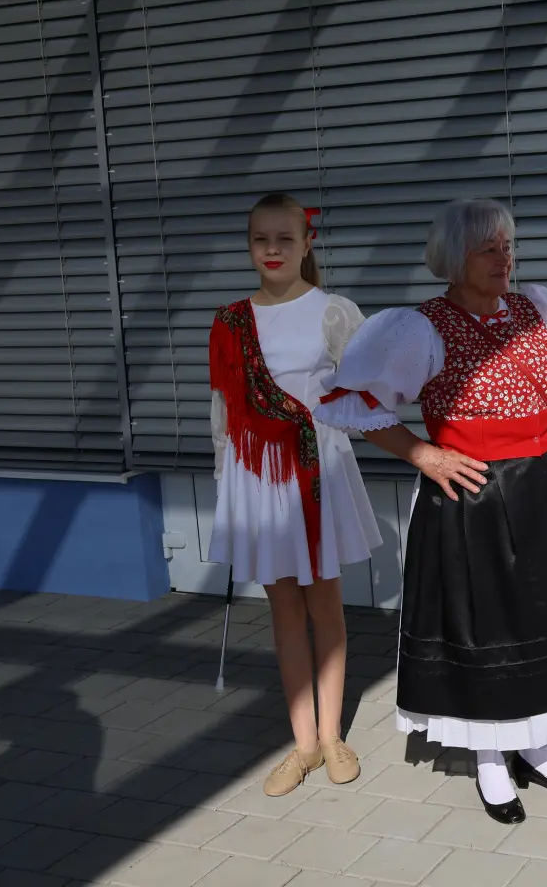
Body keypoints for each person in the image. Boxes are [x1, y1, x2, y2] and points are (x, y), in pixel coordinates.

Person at [315, 198, 547, 825]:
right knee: (486, 626)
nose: (503, 260)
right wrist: (425, 455)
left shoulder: (541, 311)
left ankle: (538, 744)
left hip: (543, 491)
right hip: (471, 497)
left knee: (543, 614)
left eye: (507, 247)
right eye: (488, 249)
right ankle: (491, 760)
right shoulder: (420, 327)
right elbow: (353, 402)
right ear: (454, 259)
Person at [208, 193, 383, 796]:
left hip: (318, 472)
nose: (273, 250)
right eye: (261, 240)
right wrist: (226, 476)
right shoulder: (232, 320)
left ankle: (333, 735)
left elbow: (369, 391)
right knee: (282, 606)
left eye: (284, 238)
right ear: (250, 245)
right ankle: (302, 744)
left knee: (323, 604)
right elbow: (224, 407)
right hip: (258, 476)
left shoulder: (333, 312)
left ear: (307, 243)